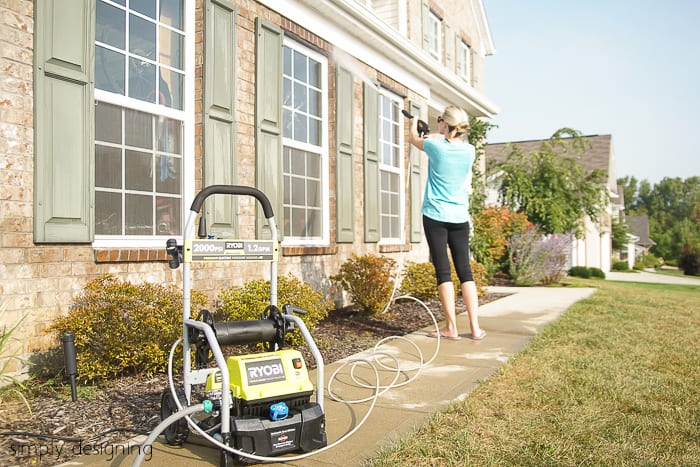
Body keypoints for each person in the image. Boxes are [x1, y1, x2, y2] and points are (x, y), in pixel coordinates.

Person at [406, 105, 486, 340]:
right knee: (465, 272)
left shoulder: (434, 145)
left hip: (435, 217)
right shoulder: (470, 151)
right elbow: (446, 143)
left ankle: (451, 328)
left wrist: (414, 124)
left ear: (445, 124)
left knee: (443, 272)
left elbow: (413, 139)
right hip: (460, 217)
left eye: (440, 119)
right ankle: (475, 328)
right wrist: (436, 134)